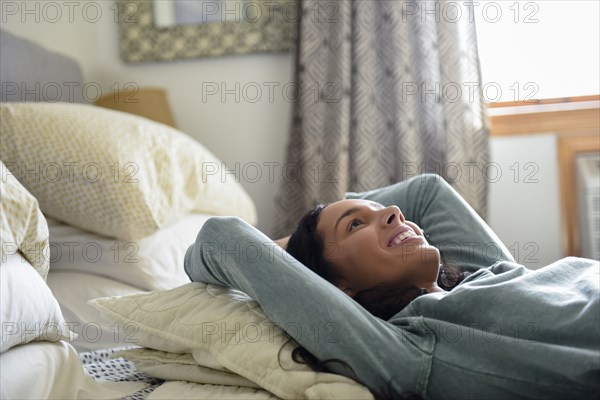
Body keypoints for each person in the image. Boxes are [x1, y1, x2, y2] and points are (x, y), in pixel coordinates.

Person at [184, 174, 599, 399]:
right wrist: (302, 254)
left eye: (383, 211)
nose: (396, 213)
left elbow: (425, 190)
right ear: (337, 288)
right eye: (355, 225)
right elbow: (222, 239)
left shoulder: (481, 271)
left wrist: (357, 219)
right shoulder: (412, 348)